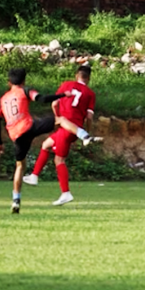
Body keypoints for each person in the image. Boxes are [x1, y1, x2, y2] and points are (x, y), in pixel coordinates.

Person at [0, 68, 71, 214]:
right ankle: (84, 135)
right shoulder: (25, 90)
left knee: (20, 166)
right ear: (24, 81)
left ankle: (16, 199)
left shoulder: (3, 99)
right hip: (28, 127)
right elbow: (42, 99)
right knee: (59, 120)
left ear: (9, 82)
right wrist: (62, 95)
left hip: (16, 135)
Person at [28, 65, 102, 207]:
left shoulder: (67, 85)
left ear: (76, 75)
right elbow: (89, 116)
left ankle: (66, 193)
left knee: (59, 160)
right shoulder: (90, 93)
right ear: (89, 78)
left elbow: (55, 103)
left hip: (66, 128)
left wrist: (58, 118)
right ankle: (34, 176)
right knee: (46, 145)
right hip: (75, 128)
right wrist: (88, 129)